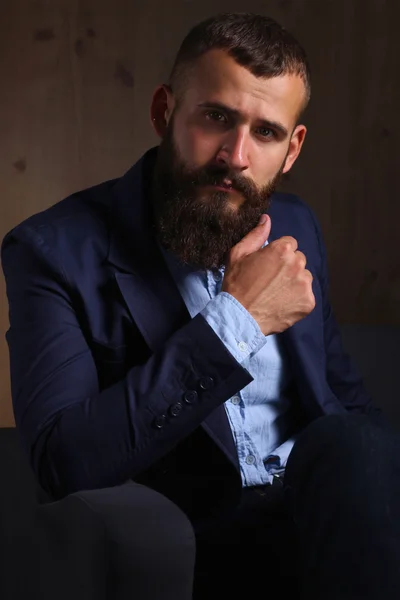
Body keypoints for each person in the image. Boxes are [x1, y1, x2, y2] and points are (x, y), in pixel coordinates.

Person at [2, 12, 400, 600]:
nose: (235, 156)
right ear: (165, 111)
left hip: (327, 509)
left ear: (292, 150)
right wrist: (237, 320)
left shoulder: (296, 228)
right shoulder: (53, 250)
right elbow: (62, 461)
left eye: (265, 133)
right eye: (217, 117)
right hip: (201, 533)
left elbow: (344, 400)